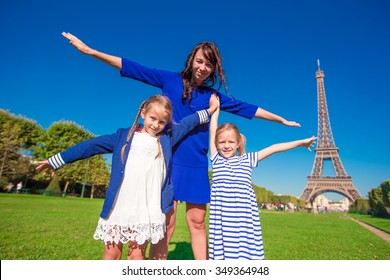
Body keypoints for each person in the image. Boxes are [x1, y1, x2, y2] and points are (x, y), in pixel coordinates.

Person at [62, 32, 301, 260]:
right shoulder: (170, 80)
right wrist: (91, 51)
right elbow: (132, 68)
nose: (202, 68)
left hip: (196, 163)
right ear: (191, 60)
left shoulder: (212, 96)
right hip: (167, 160)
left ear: (213, 70)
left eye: (208, 65)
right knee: (166, 222)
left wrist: (280, 119)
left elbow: (246, 107)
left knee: (197, 221)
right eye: (199, 61)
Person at [36, 94, 219, 260]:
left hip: (146, 208)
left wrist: (210, 111)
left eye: (162, 122)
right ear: (143, 113)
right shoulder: (123, 137)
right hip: (119, 206)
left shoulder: (166, 138)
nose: (156, 125)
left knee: (136, 257)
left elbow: (189, 122)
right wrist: (56, 160)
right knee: (111, 255)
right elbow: (90, 146)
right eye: (152, 118)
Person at [208, 106, 316, 259]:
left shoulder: (247, 160)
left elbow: (274, 148)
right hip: (223, 218)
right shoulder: (216, 160)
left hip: (244, 217)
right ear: (216, 144)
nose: (226, 145)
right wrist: (216, 110)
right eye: (222, 142)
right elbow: (213, 130)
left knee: (244, 252)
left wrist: (300, 143)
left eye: (231, 142)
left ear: (238, 143)